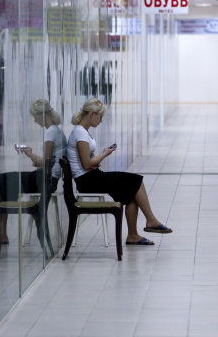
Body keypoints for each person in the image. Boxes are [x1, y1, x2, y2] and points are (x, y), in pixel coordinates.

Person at [66, 98, 172, 246]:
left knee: (135, 183)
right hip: (87, 181)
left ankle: (136, 233)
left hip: (90, 176)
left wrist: (96, 161)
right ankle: (149, 222)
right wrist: (105, 154)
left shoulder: (82, 132)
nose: (101, 121)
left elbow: (85, 163)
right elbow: (86, 163)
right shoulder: (80, 133)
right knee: (134, 183)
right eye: (100, 116)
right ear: (92, 114)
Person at [0, 100, 66, 245]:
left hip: (45, 179)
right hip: (49, 178)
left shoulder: (50, 132)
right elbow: (48, 162)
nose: (34, 120)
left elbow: (45, 162)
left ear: (42, 114)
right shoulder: (56, 130)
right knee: (2, 181)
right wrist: (31, 154)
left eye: (35, 116)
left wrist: (29, 154)